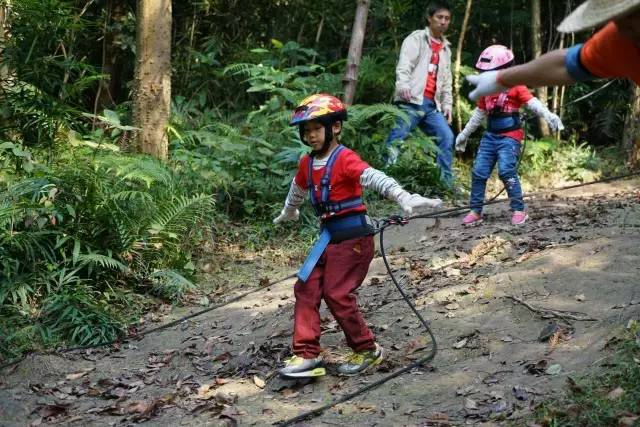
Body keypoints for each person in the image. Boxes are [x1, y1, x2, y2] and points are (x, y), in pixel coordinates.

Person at [273, 94, 442, 378]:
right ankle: (306, 355)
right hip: (328, 239)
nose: (310, 135)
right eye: (306, 131)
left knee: (336, 293)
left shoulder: (344, 158)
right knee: (306, 288)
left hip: (354, 241)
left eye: (316, 128)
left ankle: (367, 350)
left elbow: (373, 177)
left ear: (335, 127)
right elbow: (298, 189)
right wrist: (289, 211)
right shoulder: (307, 163)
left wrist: (402, 195)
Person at [455, 45, 564, 226]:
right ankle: (475, 211)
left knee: (506, 171)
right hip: (490, 136)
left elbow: (532, 103)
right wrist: (464, 134)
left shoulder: (515, 87)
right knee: (479, 172)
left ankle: (519, 210)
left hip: (510, 136)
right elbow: (479, 114)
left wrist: (549, 115)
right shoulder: (486, 90)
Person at [467, 0, 640, 101]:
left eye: (632, 14)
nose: (623, 28)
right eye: (616, 18)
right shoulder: (621, 40)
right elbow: (565, 65)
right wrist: (500, 79)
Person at [384, 1, 455, 186]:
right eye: (439, 17)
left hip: (433, 105)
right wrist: (402, 86)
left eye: (447, 18)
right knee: (397, 138)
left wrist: (448, 105)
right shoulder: (416, 39)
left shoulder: (446, 49)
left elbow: (447, 81)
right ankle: (384, 181)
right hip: (411, 100)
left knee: (446, 137)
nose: (443, 22)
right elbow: (404, 65)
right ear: (430, 18)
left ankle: (444, 184)